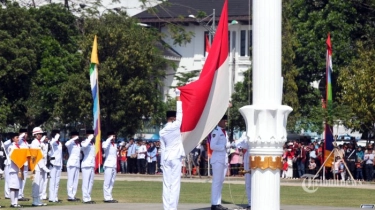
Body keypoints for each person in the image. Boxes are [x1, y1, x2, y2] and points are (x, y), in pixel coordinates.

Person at [159, 89, 184, 210]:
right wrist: (178, 96)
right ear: (173, 118)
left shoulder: (162, 131)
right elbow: (180, 113)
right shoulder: (175, 126)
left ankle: (166, 208)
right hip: (176, 157)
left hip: (166, 158)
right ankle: (172, 208)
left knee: (166, 184)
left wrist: (161, 164)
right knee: (174, 185)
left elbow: (162, 148)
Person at [210, 114, 230, 210]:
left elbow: (227, 144)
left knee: (221, 181)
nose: (226, 123)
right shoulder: (216, 131)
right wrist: (223, 147)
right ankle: (214, 204)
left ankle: (218, 202)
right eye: (224, 121)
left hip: (223, 159)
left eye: (226, 121)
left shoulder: (225, 132)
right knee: (217, 182)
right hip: (217, 159)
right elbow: (212, 146)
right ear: (219, 121)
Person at [31, 127, 50, 206]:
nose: (40, 135)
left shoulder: (41, 143)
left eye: (41, 134)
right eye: (39, 134)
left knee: (41, 184)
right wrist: (43, 167)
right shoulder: (34, 143)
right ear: (35, 135)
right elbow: (36, 156)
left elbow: (44, 155)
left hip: (42, 165)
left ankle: (39, 199)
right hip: (36, 166)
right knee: (36, 183)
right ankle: (35, 200)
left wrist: (44, 165)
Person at [234, 132, 251, 210]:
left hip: (258, 157)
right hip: (248, 159)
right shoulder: (245, 133)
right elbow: (238, 143)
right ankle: (250, 203)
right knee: (248, 183)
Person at [102, 131, 118, 203]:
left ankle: (110, 196)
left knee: (112, 182)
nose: (114, 138)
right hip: (108, 165)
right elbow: (104, 146)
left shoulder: (114, 145)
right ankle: (106, 197)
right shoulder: (105, 143)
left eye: (114, 136)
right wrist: (109, 138)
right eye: (112, 136)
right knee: (107, 182)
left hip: (113, 165)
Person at [65, 131, 81, 202]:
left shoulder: (78, 144)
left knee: (75, 181)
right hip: (71, 163)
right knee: (71, 180)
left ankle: (73, 195)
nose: (76, 137)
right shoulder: (70, 143)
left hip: (77, 163)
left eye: (77, 136)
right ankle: (70, 196)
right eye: (75, 136)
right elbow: (66, 144)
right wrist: (73, 139)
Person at [7, 132, 22, 208]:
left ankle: (16, 202)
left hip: (18, 169)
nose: (18, 139)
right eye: (16, 137)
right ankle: (12, 202)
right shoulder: (11, 147)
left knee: (17, 186)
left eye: (18, 137)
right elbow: (11, 156)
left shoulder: (19, 146)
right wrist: (18, 162)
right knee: (13, 186)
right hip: (13, 169)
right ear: (13, 139)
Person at [81, 129, 96, 204]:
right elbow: (84, 146)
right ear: (87, 135)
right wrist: (89, 138)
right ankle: (85, 198)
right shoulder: (84, 142)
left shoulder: (92, 143)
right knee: (86, 182)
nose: (92, 136)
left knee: (91, 182)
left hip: (92, 164)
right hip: (86, 164)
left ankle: (88, 197)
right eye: (90, 134)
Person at [48, 130, 63, 203]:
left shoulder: (59, 143)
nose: (59, 135)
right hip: (53, 163)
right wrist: (54, 139)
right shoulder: (51, 142)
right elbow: (50, 145)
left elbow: (60, 154)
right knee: (52, 181)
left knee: (57, 182)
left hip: (59, 163)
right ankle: (51, 197)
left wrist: (61, 164)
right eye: (57, 134)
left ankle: (55, 197)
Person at [17, 128, 30, 201]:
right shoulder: (19, 141)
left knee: (24, 179)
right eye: (25, 133)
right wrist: (21, 135)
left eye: (26, 133)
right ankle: (18, 195)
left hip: (26, 162)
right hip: (21, 162)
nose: (26, 135)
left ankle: (21, 194)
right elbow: (17, 141)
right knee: (20, 179)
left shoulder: (26, 142)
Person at [40, 132, 50, 200]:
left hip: (46, 163)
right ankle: (40, 194)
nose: (47, 139)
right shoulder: (40, 144)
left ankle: (44, 195)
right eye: (46, 137)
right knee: (40, 180)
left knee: (45, 180)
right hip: (40, 163)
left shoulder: (48, 144)